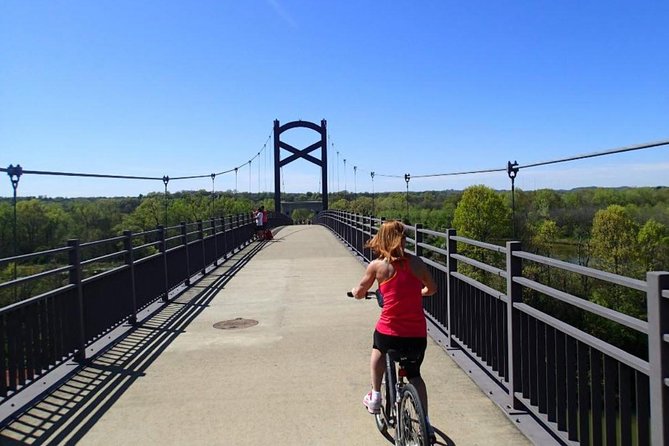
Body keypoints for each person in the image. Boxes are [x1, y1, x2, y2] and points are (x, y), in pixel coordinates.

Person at [351, 220, 437, 439]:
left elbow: (360, 292)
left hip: (390, 333)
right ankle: (426, 423)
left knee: (378, 347)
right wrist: (419, 292)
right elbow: (432, 288)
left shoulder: (377, 266)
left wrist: (356, 292)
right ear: (403, 239)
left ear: (382, 240)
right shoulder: (417, 263)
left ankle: (376, 395)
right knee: (415, 375)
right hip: (416, 334)